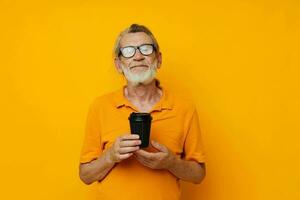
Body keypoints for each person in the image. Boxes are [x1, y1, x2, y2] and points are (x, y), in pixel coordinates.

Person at [79, 24, 206, 200]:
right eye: (129, 51)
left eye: (146, 49)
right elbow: (86, 175)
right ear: (118, 64)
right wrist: (110, 156)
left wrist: (171, 163)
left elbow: (198, 174)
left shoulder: (184, 108)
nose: (138, 56)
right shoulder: (100, 106)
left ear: (158, 59)